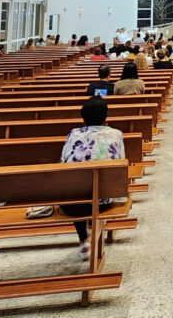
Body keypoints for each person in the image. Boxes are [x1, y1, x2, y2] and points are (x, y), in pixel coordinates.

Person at [59, 96, 125, 260]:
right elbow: (120, 167)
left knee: (75, 189)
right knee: (91, 187)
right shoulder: (115, 134)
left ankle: (83, 239)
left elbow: (62, 163)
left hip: (72, 205)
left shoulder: (73, 135)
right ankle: (92, 234)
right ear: (105, 116)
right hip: (103, 201)